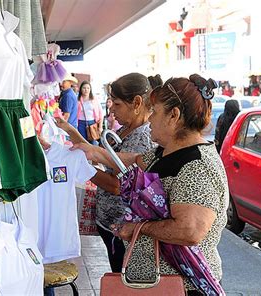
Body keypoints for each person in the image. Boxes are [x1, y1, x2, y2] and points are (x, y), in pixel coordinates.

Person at [72, 74, 229, 295]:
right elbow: (135, 159)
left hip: (182, 287)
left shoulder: (197, 165)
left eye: (155, 111)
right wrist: (94, 152)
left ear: (174, 116)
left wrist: (138, 228)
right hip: (155, 284)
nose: (150, 118)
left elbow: (190, 231)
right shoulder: (166, 151)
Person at [56, 73, 156, 272]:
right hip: (112, 224)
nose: (111, 109)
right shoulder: (125, 130)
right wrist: (70, 131)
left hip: (124, 228)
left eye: (117, 104)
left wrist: (81, 168)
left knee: (123, 277)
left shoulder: (141, 138)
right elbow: (98, 154)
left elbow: (117, 185)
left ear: (136, 103)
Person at [77, 81, 103, 145]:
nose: (86, 90)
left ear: (90, 89)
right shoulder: (77, 99)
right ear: (81, 89)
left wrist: (100, 127)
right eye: (84, 88)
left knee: (93, 143)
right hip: (80, 123)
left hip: (92, 123)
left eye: (88, 88)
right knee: (83, 143)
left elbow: (101, 113)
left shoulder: (94, 99)